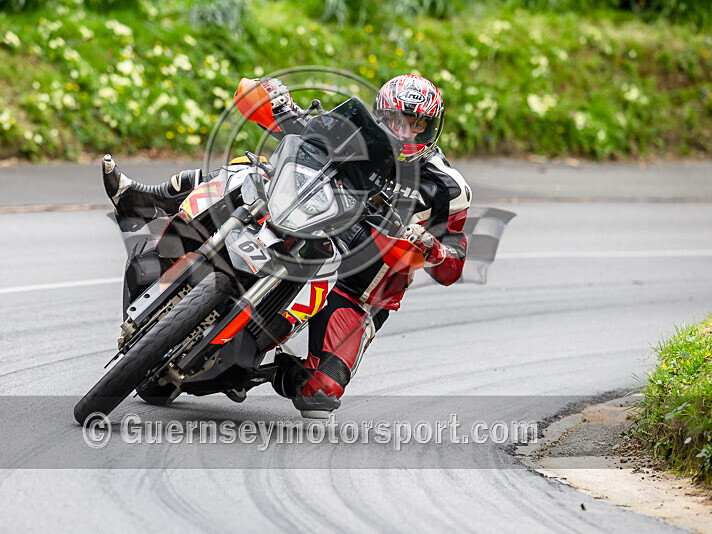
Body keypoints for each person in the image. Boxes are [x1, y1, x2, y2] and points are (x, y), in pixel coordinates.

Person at [103, 74, 472, 417]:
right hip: (307, 224)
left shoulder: (448, 189)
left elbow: (453, 264)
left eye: (416, 123)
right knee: (249, 172)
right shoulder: (360, 135)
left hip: (356, 289)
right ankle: (149, 200)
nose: (404, 130)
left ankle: (272, 370)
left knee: (319, 395)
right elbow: (308, 131)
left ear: (431, 128)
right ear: (381, 114)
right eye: (396, 119)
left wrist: (433, 250)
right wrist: (276, 101)